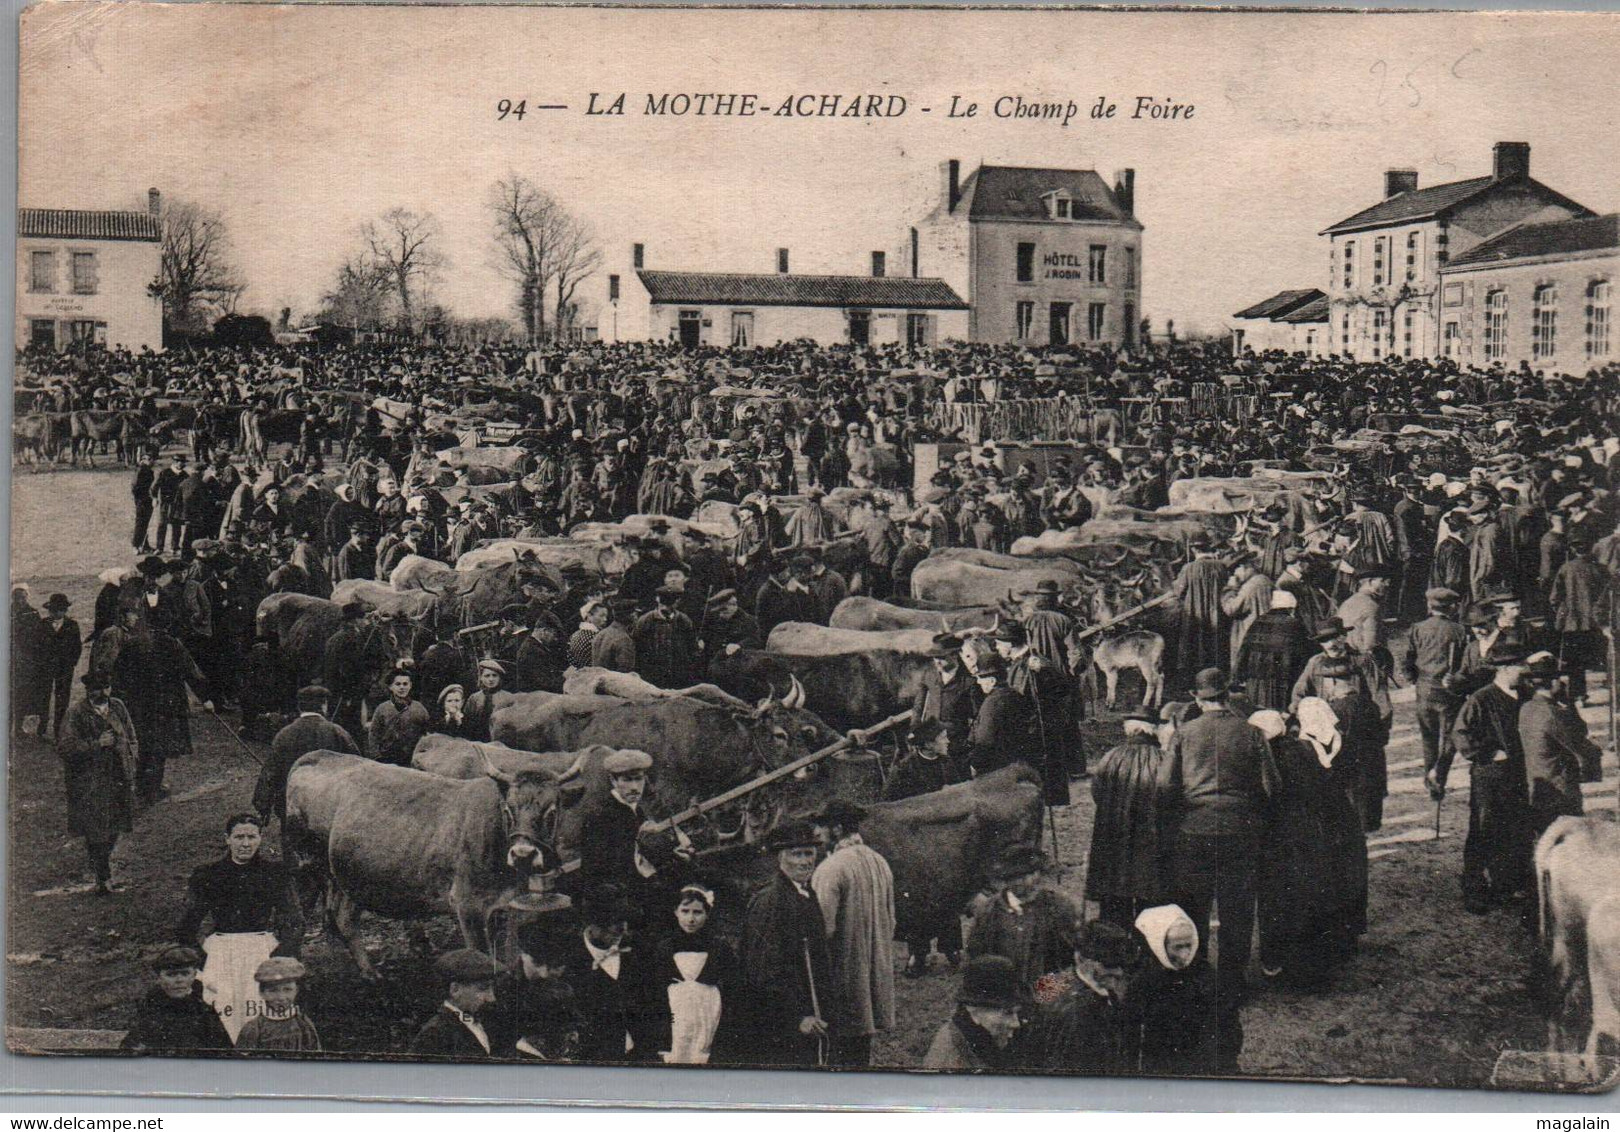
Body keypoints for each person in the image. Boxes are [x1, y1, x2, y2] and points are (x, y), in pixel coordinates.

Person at [1157, 666, 1278, 1070]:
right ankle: (1231, 985)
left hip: (1195, 830)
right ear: (1228, 694)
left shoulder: (1183, 734)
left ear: (1196, 696)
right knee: (1237, 910)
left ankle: (1194, 977)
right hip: (1241, 832)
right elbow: (1271, 787)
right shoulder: (1252, 733)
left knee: (1193, 907)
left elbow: (1164, 788)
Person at [1249, 709, 1367, 987]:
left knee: (1275, 900)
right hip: (1310, 837)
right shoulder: (1303, 750)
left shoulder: (1267, 759)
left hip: (1279, 840)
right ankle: (1311, 963)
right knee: (1307, 897)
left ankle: (1276, 962)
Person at [177, 812, 306, 1043]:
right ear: (227, 839)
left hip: (260, 949)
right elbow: (187, 924)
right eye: (239, 837)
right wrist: (200, 958)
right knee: (220, 1010)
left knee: (261, 1009)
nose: (245, 844)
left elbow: (294, 920)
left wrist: (280, 956)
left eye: (251, 837)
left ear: (260, 838)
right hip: (221, 951)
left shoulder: (275, 874)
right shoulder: (209, 875)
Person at [808, 798, 896, 1067]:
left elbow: (823, 929)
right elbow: (891, 921)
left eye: (821, 827)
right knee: (860, 1052)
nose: (816, 833)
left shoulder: (831, 868)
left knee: (837, 1051)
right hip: (874, 974)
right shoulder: (879, 861)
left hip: (842, 976)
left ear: (836, 829)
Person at [739, 819, 833, 1067]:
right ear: (780, 858)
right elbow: (763, 969)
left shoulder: (806, 893)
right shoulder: (771, 901)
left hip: (810, 1014)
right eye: (797, 854)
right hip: (781, 1021)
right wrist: (796, 1017)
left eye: (809, 853)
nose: (805, 861)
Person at [1451, 644, 1533, 914]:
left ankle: (1507, 884)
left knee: (1515, 828)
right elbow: (1461, 734)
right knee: (1484, 829)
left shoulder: (1526, 695)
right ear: (1505, 669)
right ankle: (1474, 886)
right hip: (1490, 775)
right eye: (1521, 666)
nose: (1525, 671)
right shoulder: (1481, 699)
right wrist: (1488, 752)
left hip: (1518, 774)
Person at [635, 882, 738, 1065]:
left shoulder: (719, 947)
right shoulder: (665, 947)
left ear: (707, 913)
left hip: (708, 1015)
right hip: (676, 1018)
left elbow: (733, 986)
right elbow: (655, 991)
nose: (691, 919)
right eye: (685, 911)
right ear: (676, 911)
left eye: (697, 912)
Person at [57, 670, 139, 894]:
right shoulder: (76, 712)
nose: (101, 693)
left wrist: (131, 759)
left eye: (105, 688)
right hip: (90, 782)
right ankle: (103, 876)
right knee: (96, 829)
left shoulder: (118, 707)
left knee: (116, 826)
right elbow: (65, 747)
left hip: (118, 778)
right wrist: (97, 744)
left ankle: (100, 866)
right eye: (96, 689)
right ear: (87, 690)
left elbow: (131, 736)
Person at [1084, 713, 1169, 930]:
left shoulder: (1111, 756)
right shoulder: (1163, 759)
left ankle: (1115, 946)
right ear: (1153, 730)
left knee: (1114, 893)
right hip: (1151, 837)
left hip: (1114, 835)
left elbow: (1098, 792)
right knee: (1151, 895)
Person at [1024, 919, 1141, 1074]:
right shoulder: (1081, 1010)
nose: (1119, 972)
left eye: (1122, 965)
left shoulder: (1053, 981)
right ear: (1081, 958)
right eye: (1108, 965)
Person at [967, 845, 1081, 992]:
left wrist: (1047, 993)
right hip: (1003, 994)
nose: (1022, 882)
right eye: (1015, 877)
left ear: (1038, 874)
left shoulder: (1059, 908)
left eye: (1027, 875)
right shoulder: (989, 911)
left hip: (1047, 995)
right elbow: (975, 956)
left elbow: (1076, 960)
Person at [1400, 587, 1471, 801]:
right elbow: (1465, 663)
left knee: (1428, 737)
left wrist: (1414, 679)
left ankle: (1429, 777)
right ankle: (1439, 775)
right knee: (1450, 736)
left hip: (1425, 689)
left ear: (1430, 606)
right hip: (1450, 690)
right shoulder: (1459, 630)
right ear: (1451, 607)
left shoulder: (1417, 629)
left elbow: (1407, 659)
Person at [1518, 651, 1598, 838]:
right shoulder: (1554, 713)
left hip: (1537, 786)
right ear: (1554, 682)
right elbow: (1581, 743)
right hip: (1560, 789)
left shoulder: (1527, 708)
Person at [1127, 904, 1215, 1074]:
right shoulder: (1143, 981)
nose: (1185, 955)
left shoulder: (1205, 975)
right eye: (1178, 947)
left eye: (1188, 945)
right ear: (1159, 945)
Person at [253, 686, 359, 824]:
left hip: (291, 804)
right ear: (324, 705)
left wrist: (263, 806)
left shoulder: (284, 734)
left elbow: (270, 772)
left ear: (299, 707)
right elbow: (357, 765)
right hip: (328, 803)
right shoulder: (336, 732)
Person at [567, 887, 644, 1062]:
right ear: (592, 927)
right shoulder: (571, 960)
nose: (623, 930)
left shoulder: (636, 949)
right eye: (614, 924)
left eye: (624, 922)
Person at [120, 946, 233, 1054]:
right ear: (159, 978)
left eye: (185, 974)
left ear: (193, 975)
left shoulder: (204, 1011)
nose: (179, 980)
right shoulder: (150, 1008)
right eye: (171, 975)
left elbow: (224, 1051)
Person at [921, 955, 1024, 1070]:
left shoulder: (977, 1040)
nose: (1016, 1023)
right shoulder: (950, 1060)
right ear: (974, 1011)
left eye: (1016, 1013)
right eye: (1007, 1013)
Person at [909, 632, 979, 783]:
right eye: (935, 658)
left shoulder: (969, 682)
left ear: (954, 656)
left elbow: (976, 718)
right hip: (930, 742)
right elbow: (918, 706)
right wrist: (915, 730)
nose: (937, 662)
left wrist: (969, 746)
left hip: (955, 745)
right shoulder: (929, 675)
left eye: (941, 658)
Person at [409, 948, 504, 1059]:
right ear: (455, 990)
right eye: (483, 988)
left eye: (492, 988)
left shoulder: (483, 1022)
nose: (491, 998)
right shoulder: (435, 1034)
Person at [1232, 588, 1313, 712]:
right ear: (1291, 608)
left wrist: (1238, 676)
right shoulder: (1294, 625)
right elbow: (1304, 656)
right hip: (1281, 685)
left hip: (1255, 684)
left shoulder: (1258, 621)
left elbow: (1243, 651)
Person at [965, 653, 1037, 777]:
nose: (978, 682)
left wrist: (975, 764)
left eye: (980, 678)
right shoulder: (1015, 694)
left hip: (997, 767)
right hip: (1019, 761)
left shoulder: (992, 703)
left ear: (992, 681)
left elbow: (985, 740)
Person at [235, 956, 322, 1052]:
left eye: (287, 989)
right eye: (273, 990)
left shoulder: (304, 1025)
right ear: (262, 993)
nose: (281, 997)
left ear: (296, 990)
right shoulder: (253, 1029)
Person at [32, 593, 83, 741]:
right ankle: (42, 725)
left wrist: (71, 663)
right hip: (46, 668)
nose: (56, 613)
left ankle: (59, 728)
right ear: (49, 610)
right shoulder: (42, 624)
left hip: (64, 668)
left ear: (65, 610)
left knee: (63, 698)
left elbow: (77, 647)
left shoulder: (72, 625)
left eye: (60, 610)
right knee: (44, 696)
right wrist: (40, 664)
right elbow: (36, 647)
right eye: (53, 610)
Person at [1220, 554, 1274, 674]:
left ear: (1245, 567)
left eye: (1236, 570)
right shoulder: (1266, 580)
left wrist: (1230, 589)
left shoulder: (1250, 586)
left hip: (1249, 631)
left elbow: (1231, 609)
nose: (1235, 574)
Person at [367, 667, 430, 766]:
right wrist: (377, 757)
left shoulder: (419, 709)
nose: (402, 687)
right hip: (386, 759)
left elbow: (427, 734)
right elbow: (374, 735)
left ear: (410, 686)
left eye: (405, 684)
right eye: (398, 684)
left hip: (412, 759)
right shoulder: (382, 709)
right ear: (390, 687)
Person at [461, 659, 505, 743]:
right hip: (477, 740)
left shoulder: (507, 697)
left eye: (494, 675)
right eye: (487, 676)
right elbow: (467, 722)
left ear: (499, 677)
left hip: (499, 741)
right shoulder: (474, 698)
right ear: (481, 678)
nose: (491, 679)